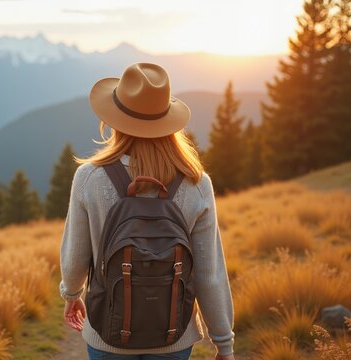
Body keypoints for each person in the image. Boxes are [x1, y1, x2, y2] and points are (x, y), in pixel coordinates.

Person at [59, 62, 235, 360]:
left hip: (107, 336)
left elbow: (76, 256)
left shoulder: (90, 178)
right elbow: (209, 273)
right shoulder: (196, 183)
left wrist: (72, 295)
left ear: (113, 120)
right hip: (174, 337)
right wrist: (224, 344)